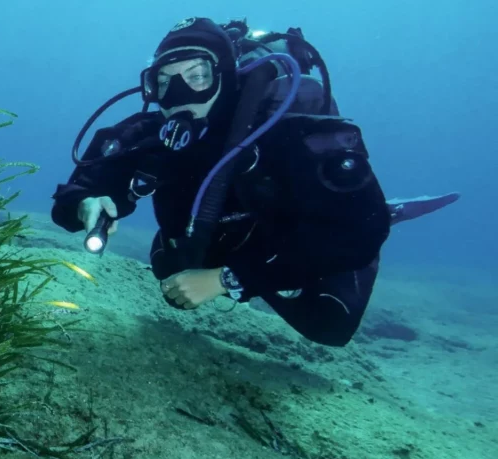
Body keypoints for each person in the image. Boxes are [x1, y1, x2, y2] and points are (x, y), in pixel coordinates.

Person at [50, 17, 459, 347]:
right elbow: (81, 185)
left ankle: (384, 207)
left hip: (303, 234)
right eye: (164, 79)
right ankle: (228, 263)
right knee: (169, 266)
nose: (178, 91)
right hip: (225, 233)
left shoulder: (288, 131)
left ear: (224, 74)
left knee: (328, 325)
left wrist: (226, 279)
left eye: (196, 74)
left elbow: (361, 232)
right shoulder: (149, 131)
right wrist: (86, 202)